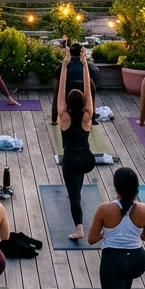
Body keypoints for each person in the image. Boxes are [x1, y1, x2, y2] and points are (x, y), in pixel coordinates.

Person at [88, 167, 145, 289]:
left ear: (115, 187)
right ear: (135, 188)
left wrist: (106, 232)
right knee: (126, 267)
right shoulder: (144, 209)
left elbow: (91, 239)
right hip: (137, 263)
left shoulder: (104, 209)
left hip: (114, 264)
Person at [57, 47, 96, 241]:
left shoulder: (63, 116)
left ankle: (79, 229)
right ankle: (77, 191)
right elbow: (88, 88)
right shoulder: (88, 115)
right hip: (87, 159)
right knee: (77, 184)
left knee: (74, 197)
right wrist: (84, 64)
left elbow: (61, 89)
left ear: (68, 103)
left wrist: (65, 64)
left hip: (71, 160)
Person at [51, 43, 100, 125]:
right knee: (92, 89)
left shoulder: (60, 68)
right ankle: (92, 118)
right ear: (82, 52)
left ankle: (54, 119)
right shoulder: (90, 68)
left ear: (69, 53)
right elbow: (92, 87)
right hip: (83, 96)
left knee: (57, 92)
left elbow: (56, 91)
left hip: (66, 95)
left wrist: (54, 116)